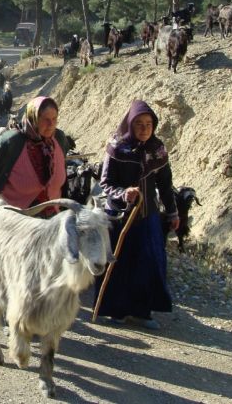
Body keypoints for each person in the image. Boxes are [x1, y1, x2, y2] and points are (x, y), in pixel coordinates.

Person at [94, 100, 179, 330]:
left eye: (149, 124)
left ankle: (142, 311)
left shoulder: (157, 149)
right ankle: (117, 311)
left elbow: (165, 184)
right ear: (130, 124)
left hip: (148, 216)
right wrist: (124, 193)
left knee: (149, 263)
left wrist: (172, 212)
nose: (144, 129)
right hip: (120, 217)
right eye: (139, 124)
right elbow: (106, 182)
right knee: (119, 264)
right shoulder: (116, 147)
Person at [0, 96, 74, 214]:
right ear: (33, 118)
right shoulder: (10, 142)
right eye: (46, 119)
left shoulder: (58, 139)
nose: (51, 124)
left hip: (54, 218)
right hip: (16, 220)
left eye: (54, 118)